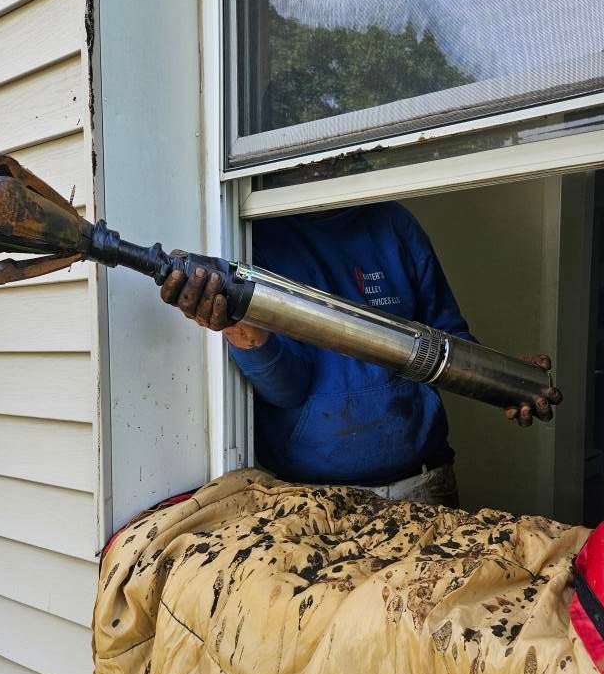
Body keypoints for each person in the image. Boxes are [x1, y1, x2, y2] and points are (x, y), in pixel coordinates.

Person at [160, 202, 560, 507]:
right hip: (313, 502)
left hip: (422, 485)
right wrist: (240, 328)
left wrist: (505, 381)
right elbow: (287, 390)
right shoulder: (254, 233)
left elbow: (447, 337)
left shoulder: (393, 225)